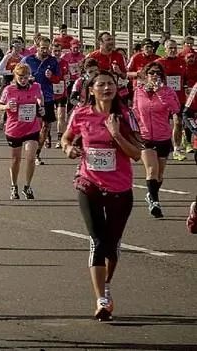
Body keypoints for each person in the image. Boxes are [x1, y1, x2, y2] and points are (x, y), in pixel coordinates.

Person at [60, 70, 142, 322]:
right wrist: (68, 148)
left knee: (112, 244)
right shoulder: (81, 113)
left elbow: (136, 154)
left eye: (111, 84)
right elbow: (66, 138)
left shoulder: (126, 115)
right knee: (97, 241)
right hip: (89, 184)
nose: (107, 88)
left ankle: (106, 284)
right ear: (91, 90)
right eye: (101, 84)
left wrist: (116, 134)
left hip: (120, 188)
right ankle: (101, 300)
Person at [132, 63, 179, 218]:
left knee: (159, 174)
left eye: (158, 73)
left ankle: (151, 194)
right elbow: (135, 111)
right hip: (145, 137)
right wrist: (136, 131)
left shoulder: (168, 91)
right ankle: (155, 202)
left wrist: (160, 92)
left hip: (163, 136)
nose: (155, 75)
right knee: (151, 170)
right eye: (151, 73)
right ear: (146, 75)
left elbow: (175, 108)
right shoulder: (139, 91)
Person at [0, 63, 44, 200]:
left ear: (29, 76)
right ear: (15, 76)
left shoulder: (36, 87)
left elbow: (40, 100)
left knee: (30, 158)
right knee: (16, 160)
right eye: (20, 77)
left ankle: (27, 186)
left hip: (32, 127)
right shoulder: (9, 90)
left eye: (26, 77)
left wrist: (41, 108)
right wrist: (6, 106)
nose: (23, 80)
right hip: (14, 129)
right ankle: (14, 185)